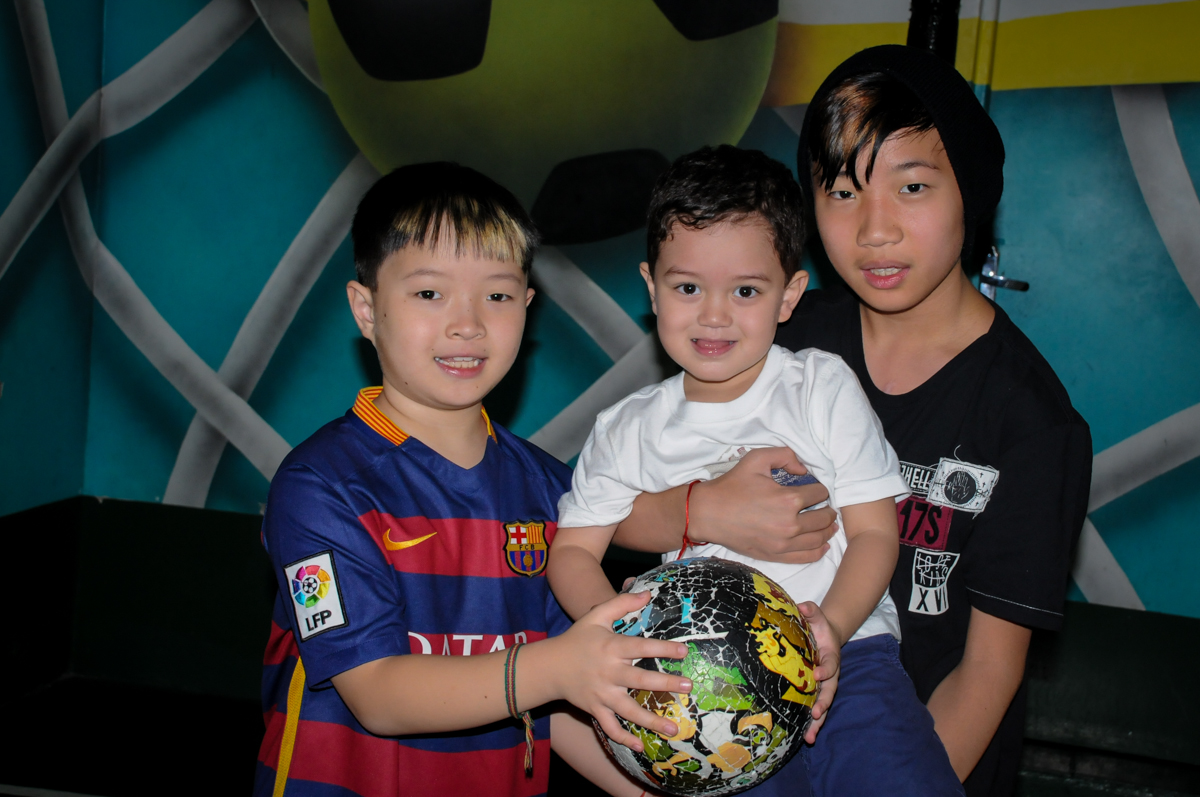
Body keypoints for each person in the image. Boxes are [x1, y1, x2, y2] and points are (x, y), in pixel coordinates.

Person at [612, 46, 1092, 797]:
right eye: (841, 191)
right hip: (744, 748)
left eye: (911, 186)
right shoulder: (772, 336)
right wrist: (701, 510)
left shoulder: (1030, 419)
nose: (874, 229)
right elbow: (612, 523)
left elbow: (987, 669)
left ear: (973, 191)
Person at [253, 162, 694, 797]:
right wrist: (556, 669)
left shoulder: (548, 488)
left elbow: (561, 700)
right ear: (367, 308)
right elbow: (376, 693)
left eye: (497, 294)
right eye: (429, 294)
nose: (468, 323)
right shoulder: (318, 486)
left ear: (527, 306)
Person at [548, 144, 964, 796]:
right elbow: (570, 551)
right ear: (652, 287)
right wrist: (624, 631)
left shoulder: (820, 386)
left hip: (849, 661)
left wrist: (832, 627)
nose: (714, 315)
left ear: (790, 295)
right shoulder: (626, 428)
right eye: (688, 288)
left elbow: (879, 532)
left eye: (745, 290)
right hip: (705, 687)